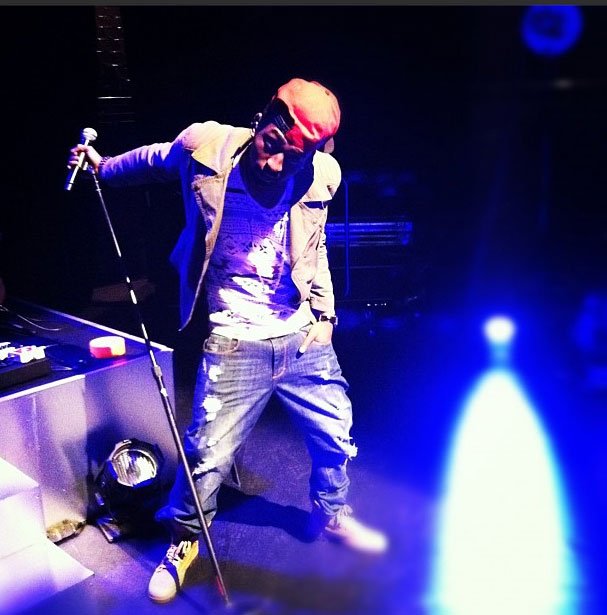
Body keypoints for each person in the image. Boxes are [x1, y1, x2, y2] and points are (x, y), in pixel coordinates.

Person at [68, 77, 388, 604]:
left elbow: (317, 244)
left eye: (294, 157)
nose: (275, 164)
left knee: (335, 434)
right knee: (206, 454)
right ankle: (186, 539)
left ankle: (330, 513)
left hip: (301, 335)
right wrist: (102, 168)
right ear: (264, 117)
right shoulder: (207, 147)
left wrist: (326, 315)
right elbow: (153, 159)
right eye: (272, 144)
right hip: (234, 339)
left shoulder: (322, 176)